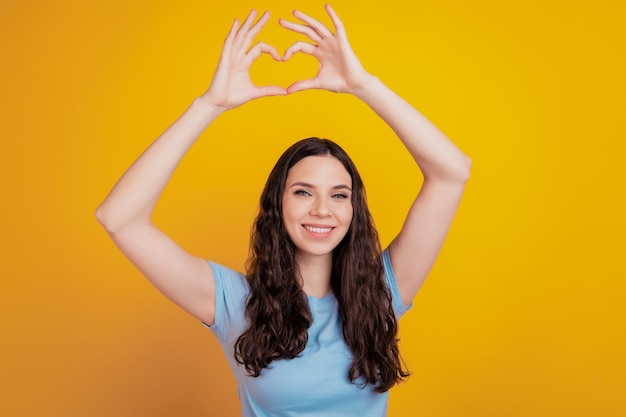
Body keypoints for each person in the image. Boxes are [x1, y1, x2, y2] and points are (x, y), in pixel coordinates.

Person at [96, 4, 471, 416]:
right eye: (303, 192)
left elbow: (452, 172)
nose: (323, 209)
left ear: (354, 209)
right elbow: (119, 218)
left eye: (339, 195)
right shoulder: (234, 302)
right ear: (278, 203)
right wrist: (210, 104)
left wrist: (362, 85)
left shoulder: (384, 292)